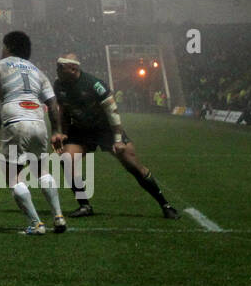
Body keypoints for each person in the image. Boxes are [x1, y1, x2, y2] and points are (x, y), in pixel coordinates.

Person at [52, 53, 180, 220]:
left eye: (61, 68)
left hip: (106, 129)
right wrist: (63, 133)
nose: (57, 70)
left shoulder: (94, 84)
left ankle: (165, 205)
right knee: (66, 159)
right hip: (81, 130)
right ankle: (84, 205)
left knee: (133, 166)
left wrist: (118, 140)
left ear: (73, 68)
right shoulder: (59, 85)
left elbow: (112, 112)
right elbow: (63, 110)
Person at [0, 31, 66, 235]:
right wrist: (57, 132)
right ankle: (59, 216)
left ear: (8, 47)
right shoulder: (38, 71)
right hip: (38, 123)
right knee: (41, 170)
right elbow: (53, 104)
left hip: (15, 121)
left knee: (12, 175)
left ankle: (36, 224)